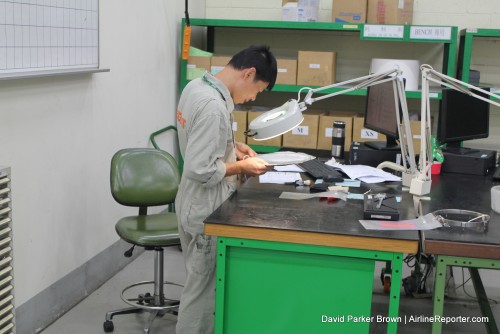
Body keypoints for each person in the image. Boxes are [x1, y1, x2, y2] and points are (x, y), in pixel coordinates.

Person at [175, 45, 278, 334]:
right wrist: (242, 167)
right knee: (201, 295)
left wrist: (232, 148)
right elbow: (201, 169)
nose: (253, 98)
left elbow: (199, 141)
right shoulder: (213, 108)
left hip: (189, 200)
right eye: (258, 90)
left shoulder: (196, 87)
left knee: (199, 281)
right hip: (205, 207)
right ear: (249, 73)